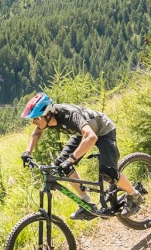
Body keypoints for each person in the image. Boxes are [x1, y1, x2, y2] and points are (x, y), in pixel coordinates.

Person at [20, 92, 140, 221]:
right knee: (61, 164)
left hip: (103, 130)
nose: (33, 122)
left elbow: (92, 137)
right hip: (83, 133)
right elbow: (37, 132)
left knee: (108, 173)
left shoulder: (68, 115)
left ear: (48, 114)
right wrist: (28, 152)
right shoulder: (46, 120)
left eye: (36, 118)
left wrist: (71, 159)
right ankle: (87, 204)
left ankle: (135, 195)